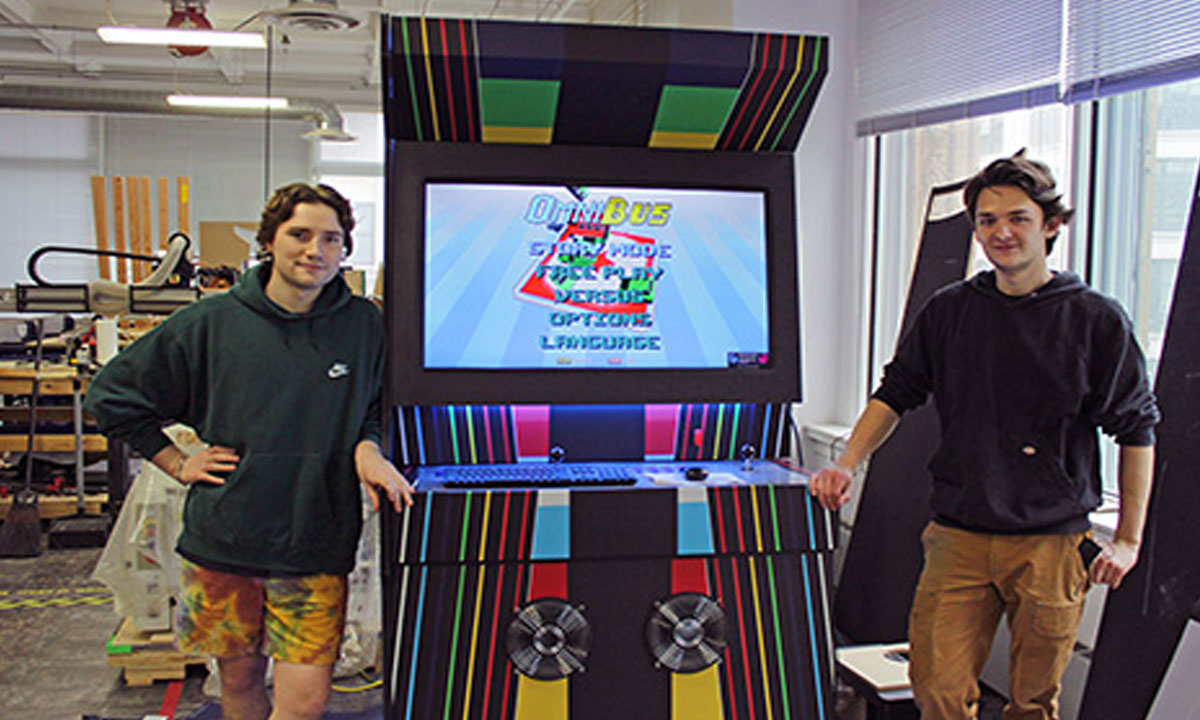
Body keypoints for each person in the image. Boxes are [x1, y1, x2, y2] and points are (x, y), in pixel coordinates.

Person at [810, 153, 1159, 720]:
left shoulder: (1096, 319)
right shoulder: (949, 312)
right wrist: (847, 462)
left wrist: (1129, 539)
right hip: (959, 536)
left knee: (1032, 702)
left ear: (1051, 225)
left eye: (1018, 218)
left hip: (1052, 544)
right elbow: (895, 392)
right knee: (937, 690)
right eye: (987, 219)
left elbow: (1137, 427)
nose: (1001, 232)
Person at [85, 183, 413, 720]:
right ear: (269, 241)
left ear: (345, 249)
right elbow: (111, 396)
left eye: (331, 239)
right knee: (238, 687)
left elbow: (378, 403)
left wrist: (368, 449)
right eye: (300, 235)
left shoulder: (364, 325)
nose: (315, 250)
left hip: (315, 544)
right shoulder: (211, 324)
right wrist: (174, 461)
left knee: (303, 704)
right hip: (223, 546)